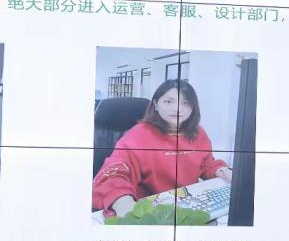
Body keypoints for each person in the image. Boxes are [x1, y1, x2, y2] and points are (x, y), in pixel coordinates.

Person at [92, 79, 233, 217]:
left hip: (189, 202)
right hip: (151, 209)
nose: (177, 109)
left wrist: (223, 171)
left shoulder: (198, 132)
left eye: (185, 103)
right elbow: (114, 172)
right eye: (168, 102)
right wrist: (122, 202)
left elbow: (206, 163)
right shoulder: (138, 135)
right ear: (156, 104)